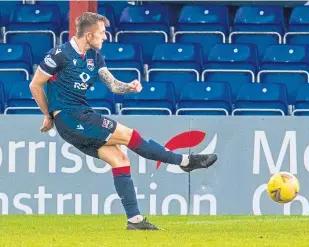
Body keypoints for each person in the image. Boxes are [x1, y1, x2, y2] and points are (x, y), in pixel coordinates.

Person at [29, 12, 218, 231]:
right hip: (72, 117)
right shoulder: (59, 54)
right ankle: (185, 161)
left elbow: (113, 85)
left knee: (119, 159)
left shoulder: (95, 57)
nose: (105, 37)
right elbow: (35, 84)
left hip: (78, 118)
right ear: (88, 34)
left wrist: (128, 86)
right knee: (131, 136)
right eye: (101, 33)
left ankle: (134, 220)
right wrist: (48, 115)